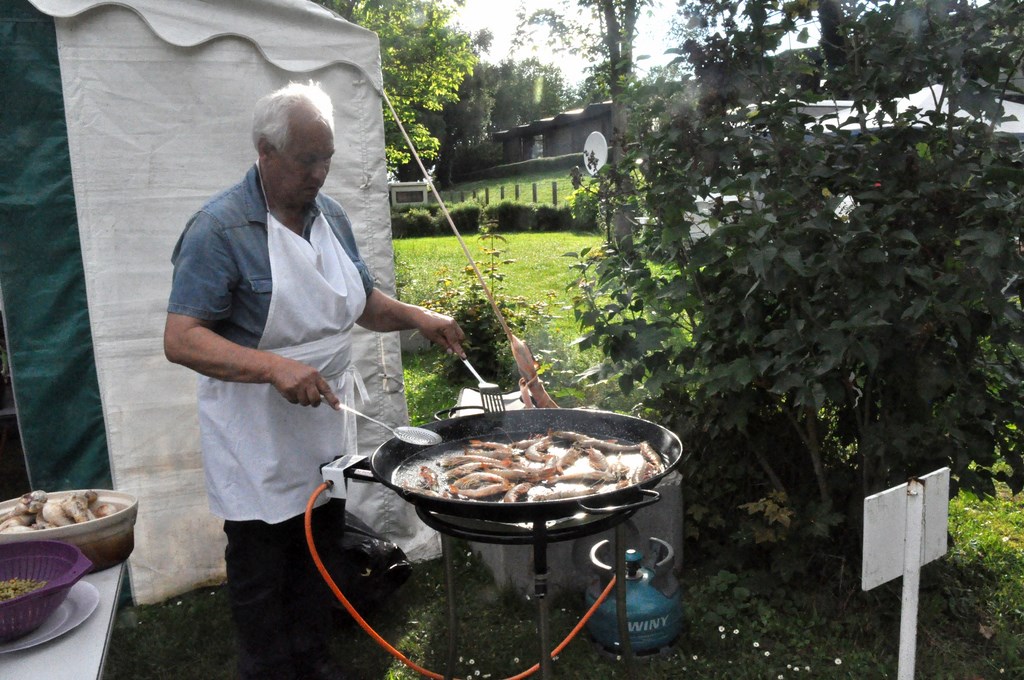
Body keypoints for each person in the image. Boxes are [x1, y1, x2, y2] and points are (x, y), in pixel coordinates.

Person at [164, 81, 465, 680]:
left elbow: (358, 302)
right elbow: (182, 338)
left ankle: (314, 657)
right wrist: (273, 366)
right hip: (255, 428)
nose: (320, 172)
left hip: (324, 415)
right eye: (307, 159)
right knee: (261, 561)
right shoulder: (219, 229)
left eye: (326, 157)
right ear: (265, 151)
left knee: (319, 546)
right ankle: (270, 667)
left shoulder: (330, 216)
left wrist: (416, 317)